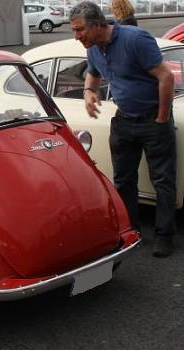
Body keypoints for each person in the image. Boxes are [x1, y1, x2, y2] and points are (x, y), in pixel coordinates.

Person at [70, 1, 176, 257]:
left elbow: (166, 77)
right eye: (74, 30)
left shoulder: (135, 39)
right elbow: (93, 74)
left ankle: (164, 236)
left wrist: (162, 117)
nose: (77, 36)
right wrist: (88, 92)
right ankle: (133, 231)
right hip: (124, 121)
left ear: (97, 24)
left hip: (154, 119)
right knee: (123, 180)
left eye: (80, 30)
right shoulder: (94, 48)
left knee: (162, 180)